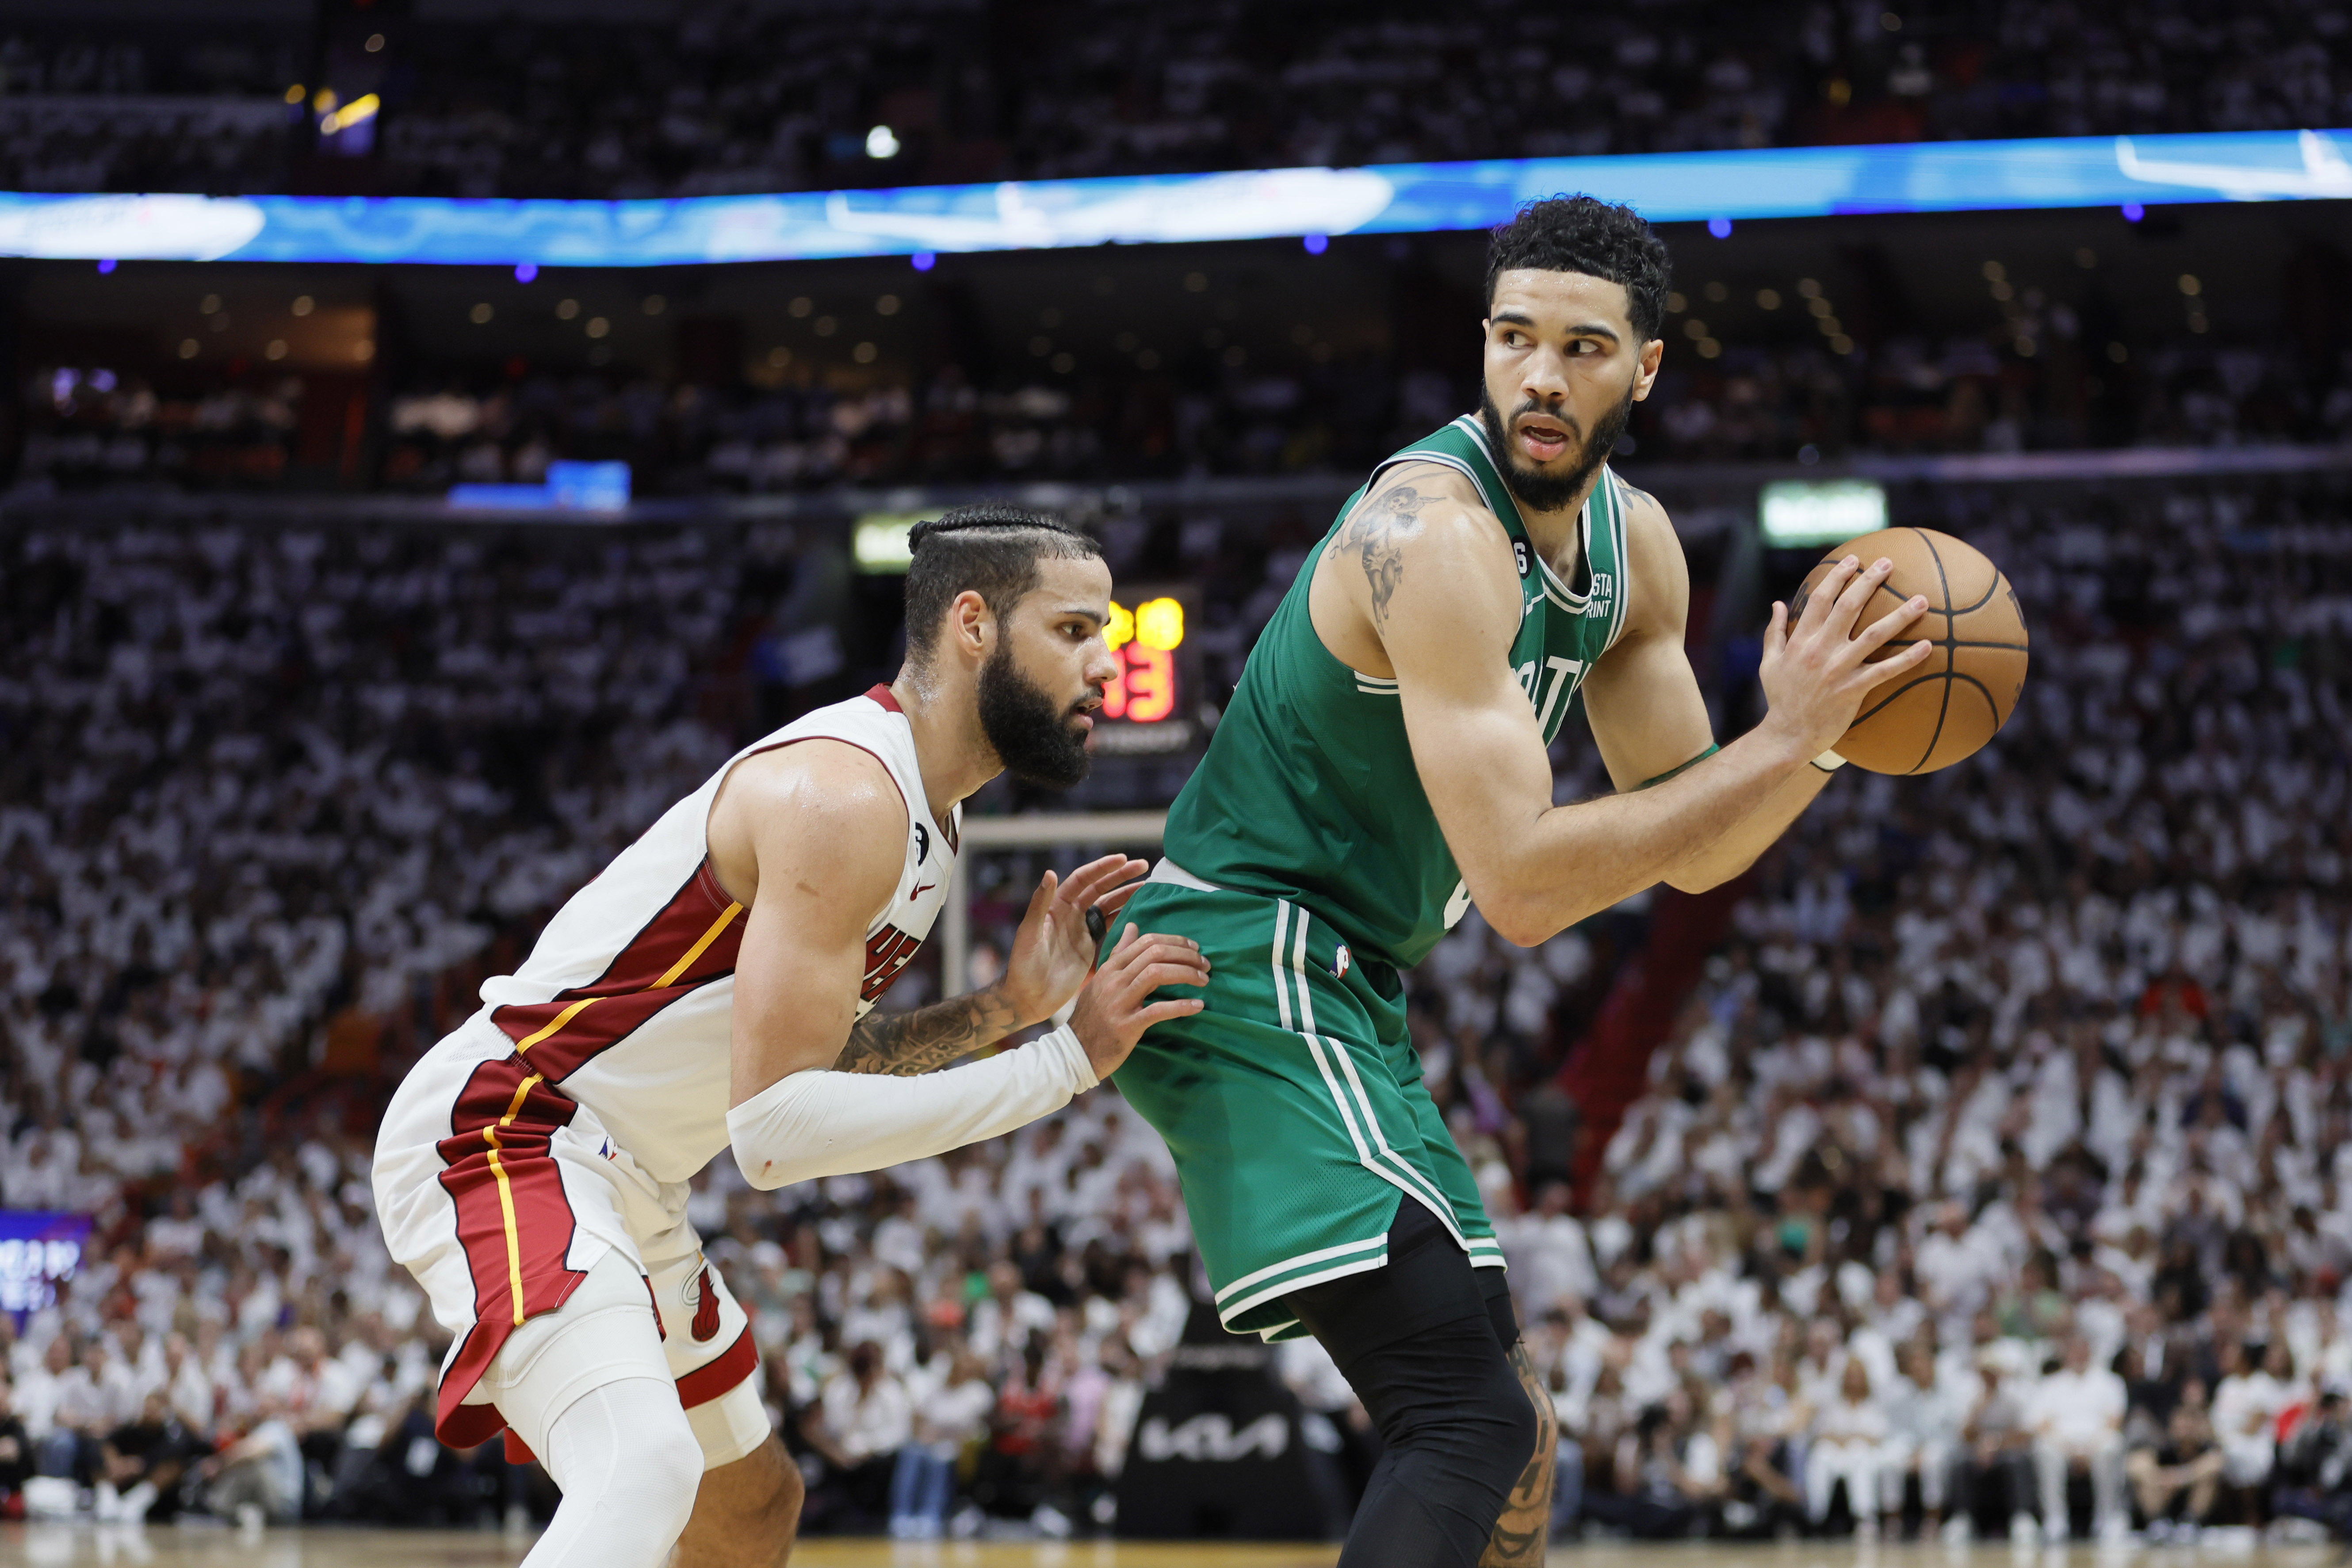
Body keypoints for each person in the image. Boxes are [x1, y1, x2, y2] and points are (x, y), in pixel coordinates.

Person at [1104, 193, 1934, 1567]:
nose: (1541, 376)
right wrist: (1785, 739)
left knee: (1517, 1436)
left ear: (1646, 367)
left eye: (1584, 348)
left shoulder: (1639, 551)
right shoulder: (1434, 536)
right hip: (1242, 957)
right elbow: (1526, 895)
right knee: (1465, 1422)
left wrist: (1817, 745)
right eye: (1514, 339)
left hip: (1345, 982)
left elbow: (1698, 844)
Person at [372, 504, 1211, 1568]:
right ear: (972, 623)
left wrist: (998, 1011)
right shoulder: (844, 792)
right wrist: (1059, 1060)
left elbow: (822, 1056)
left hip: (632, 1175)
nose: (1104, 661)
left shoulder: (929, 815)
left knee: (750, 1507)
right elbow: (774, 1133)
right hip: (512, 1129)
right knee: (642, 1468)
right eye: (1075, 629)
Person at [2030, 1333, 2127, 1542]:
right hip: (2062, 1445)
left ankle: (2107, 1518)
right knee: (2043, 1449)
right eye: (2073, 1350)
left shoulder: (2110, 1382)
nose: (2078, 1354)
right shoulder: (2051, 1384)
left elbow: (2114, 1421)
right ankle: (2055, 1521)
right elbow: (2042, 1425)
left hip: (2097, 1443)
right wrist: (2070, 1450)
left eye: (2082, 1349)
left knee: (2112, 1446)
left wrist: (2089, 1450)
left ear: (2090, 1352)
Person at [1806, 1358, 1889, 1536]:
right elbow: (1821, 1433)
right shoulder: (1833, 1404)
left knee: (1858, 1451)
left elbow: (1877, 1437)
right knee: (1821, 1454)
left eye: (1857, 1377)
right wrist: (1844, 1440)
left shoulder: (1873, 1405)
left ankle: (1864, 1517)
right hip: (1837, 1455)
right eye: (1850, 1377)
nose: (1853, 1381)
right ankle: (1817, 1517)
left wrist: (1850, 1439)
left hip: (1864, 1457)